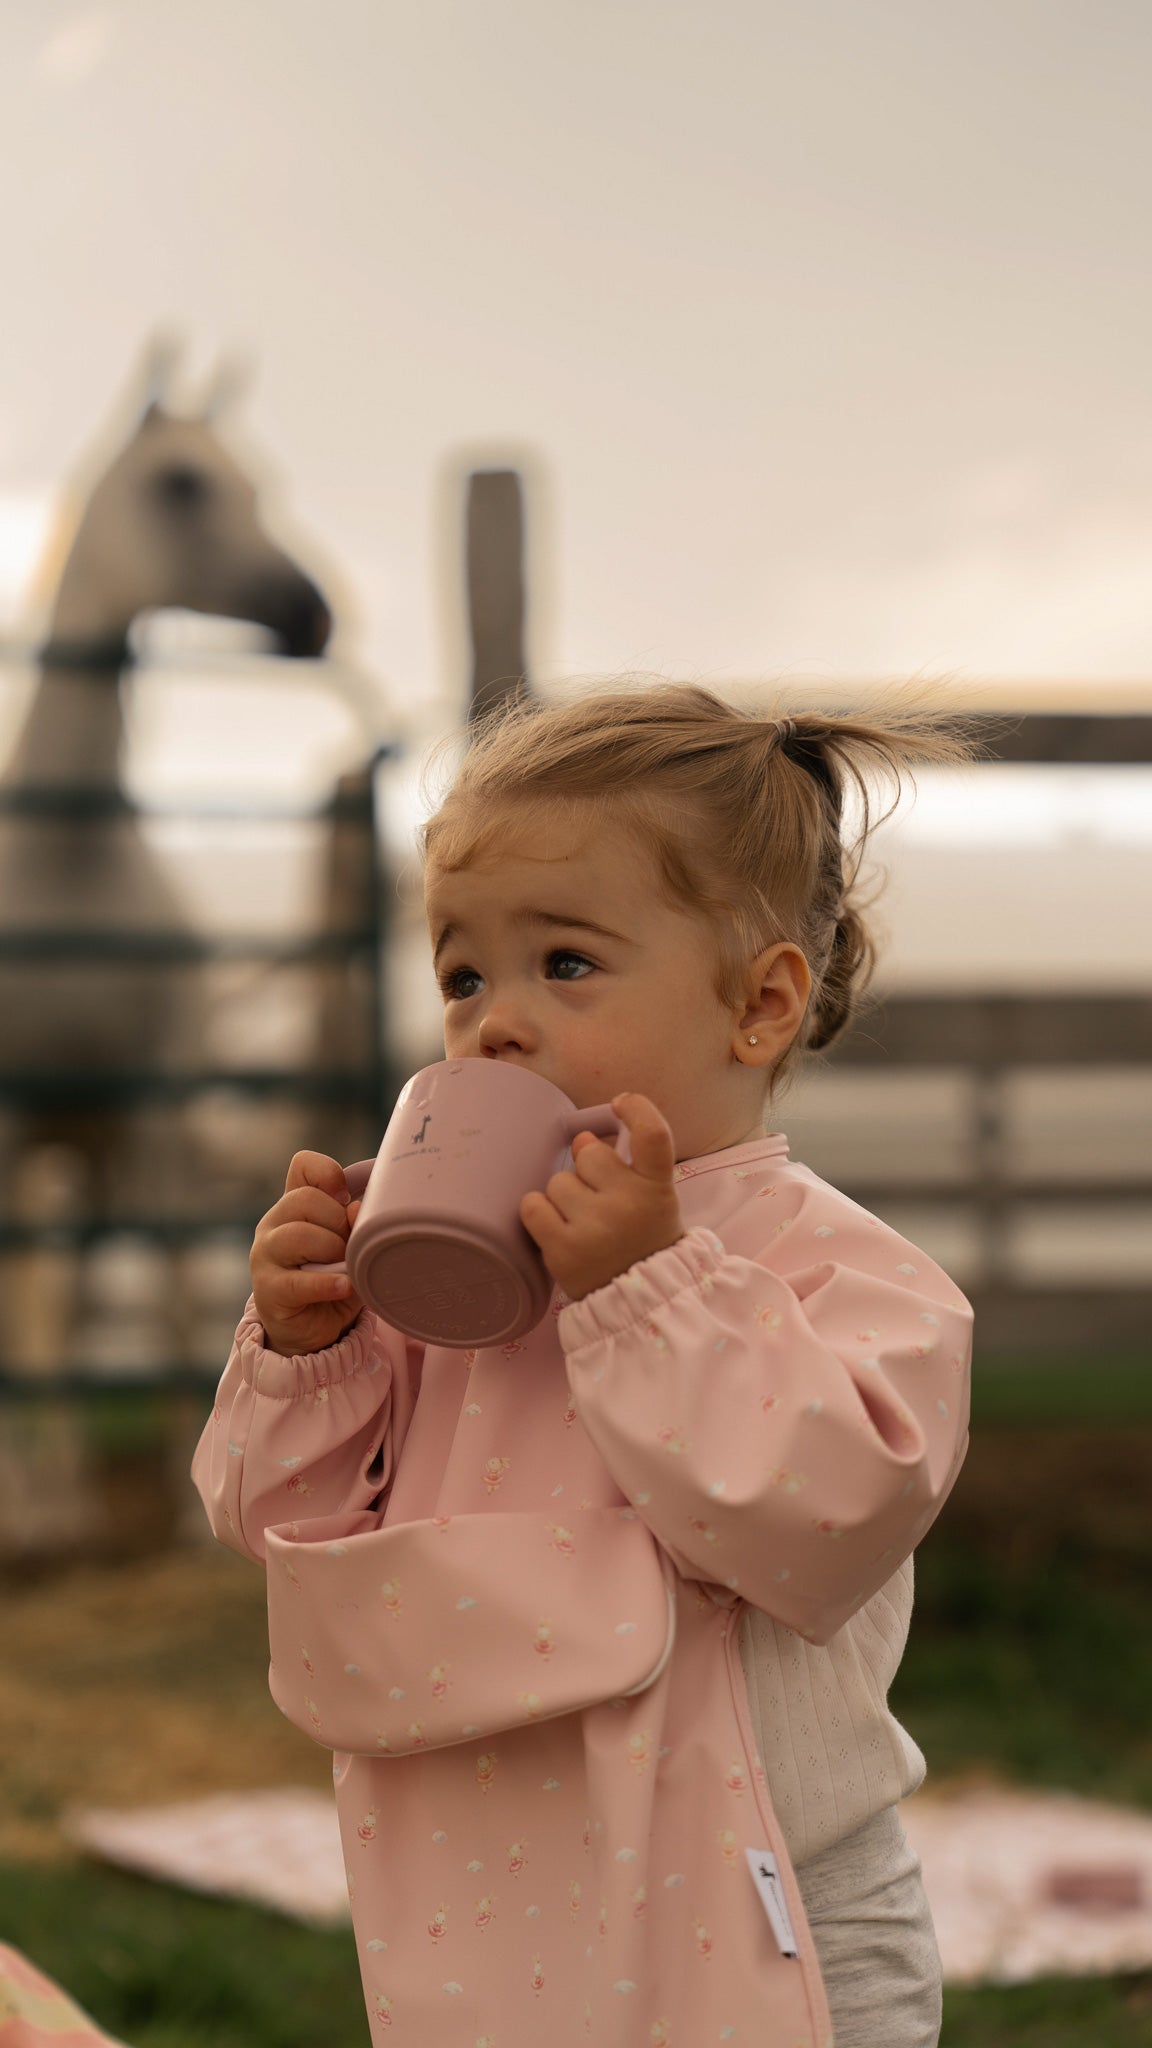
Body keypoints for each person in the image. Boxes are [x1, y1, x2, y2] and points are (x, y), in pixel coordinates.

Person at [192, 681, 979, 2047]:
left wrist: (647, 1289)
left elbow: (822, 1522)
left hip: (760, 1905)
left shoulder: (843, 1277)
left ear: (761, 1003)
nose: (494, 1021)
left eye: (563, 964)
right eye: (460, 975)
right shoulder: (434, 1287)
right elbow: (274, 1531)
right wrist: (309, 1350)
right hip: (479, 1909)